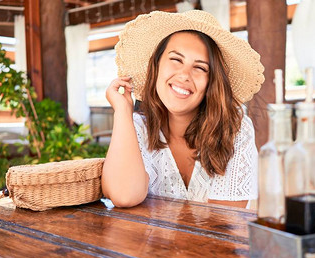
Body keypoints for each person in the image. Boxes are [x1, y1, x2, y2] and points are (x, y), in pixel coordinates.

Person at [102, 10, 264, 209]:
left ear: (211, 82)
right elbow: (124, 196)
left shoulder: (235, 129)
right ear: (156, 66)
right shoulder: (136, 127)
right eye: (176, 60)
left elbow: (223, 223)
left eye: (200, 68)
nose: (185, 75)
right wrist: (122, 111)